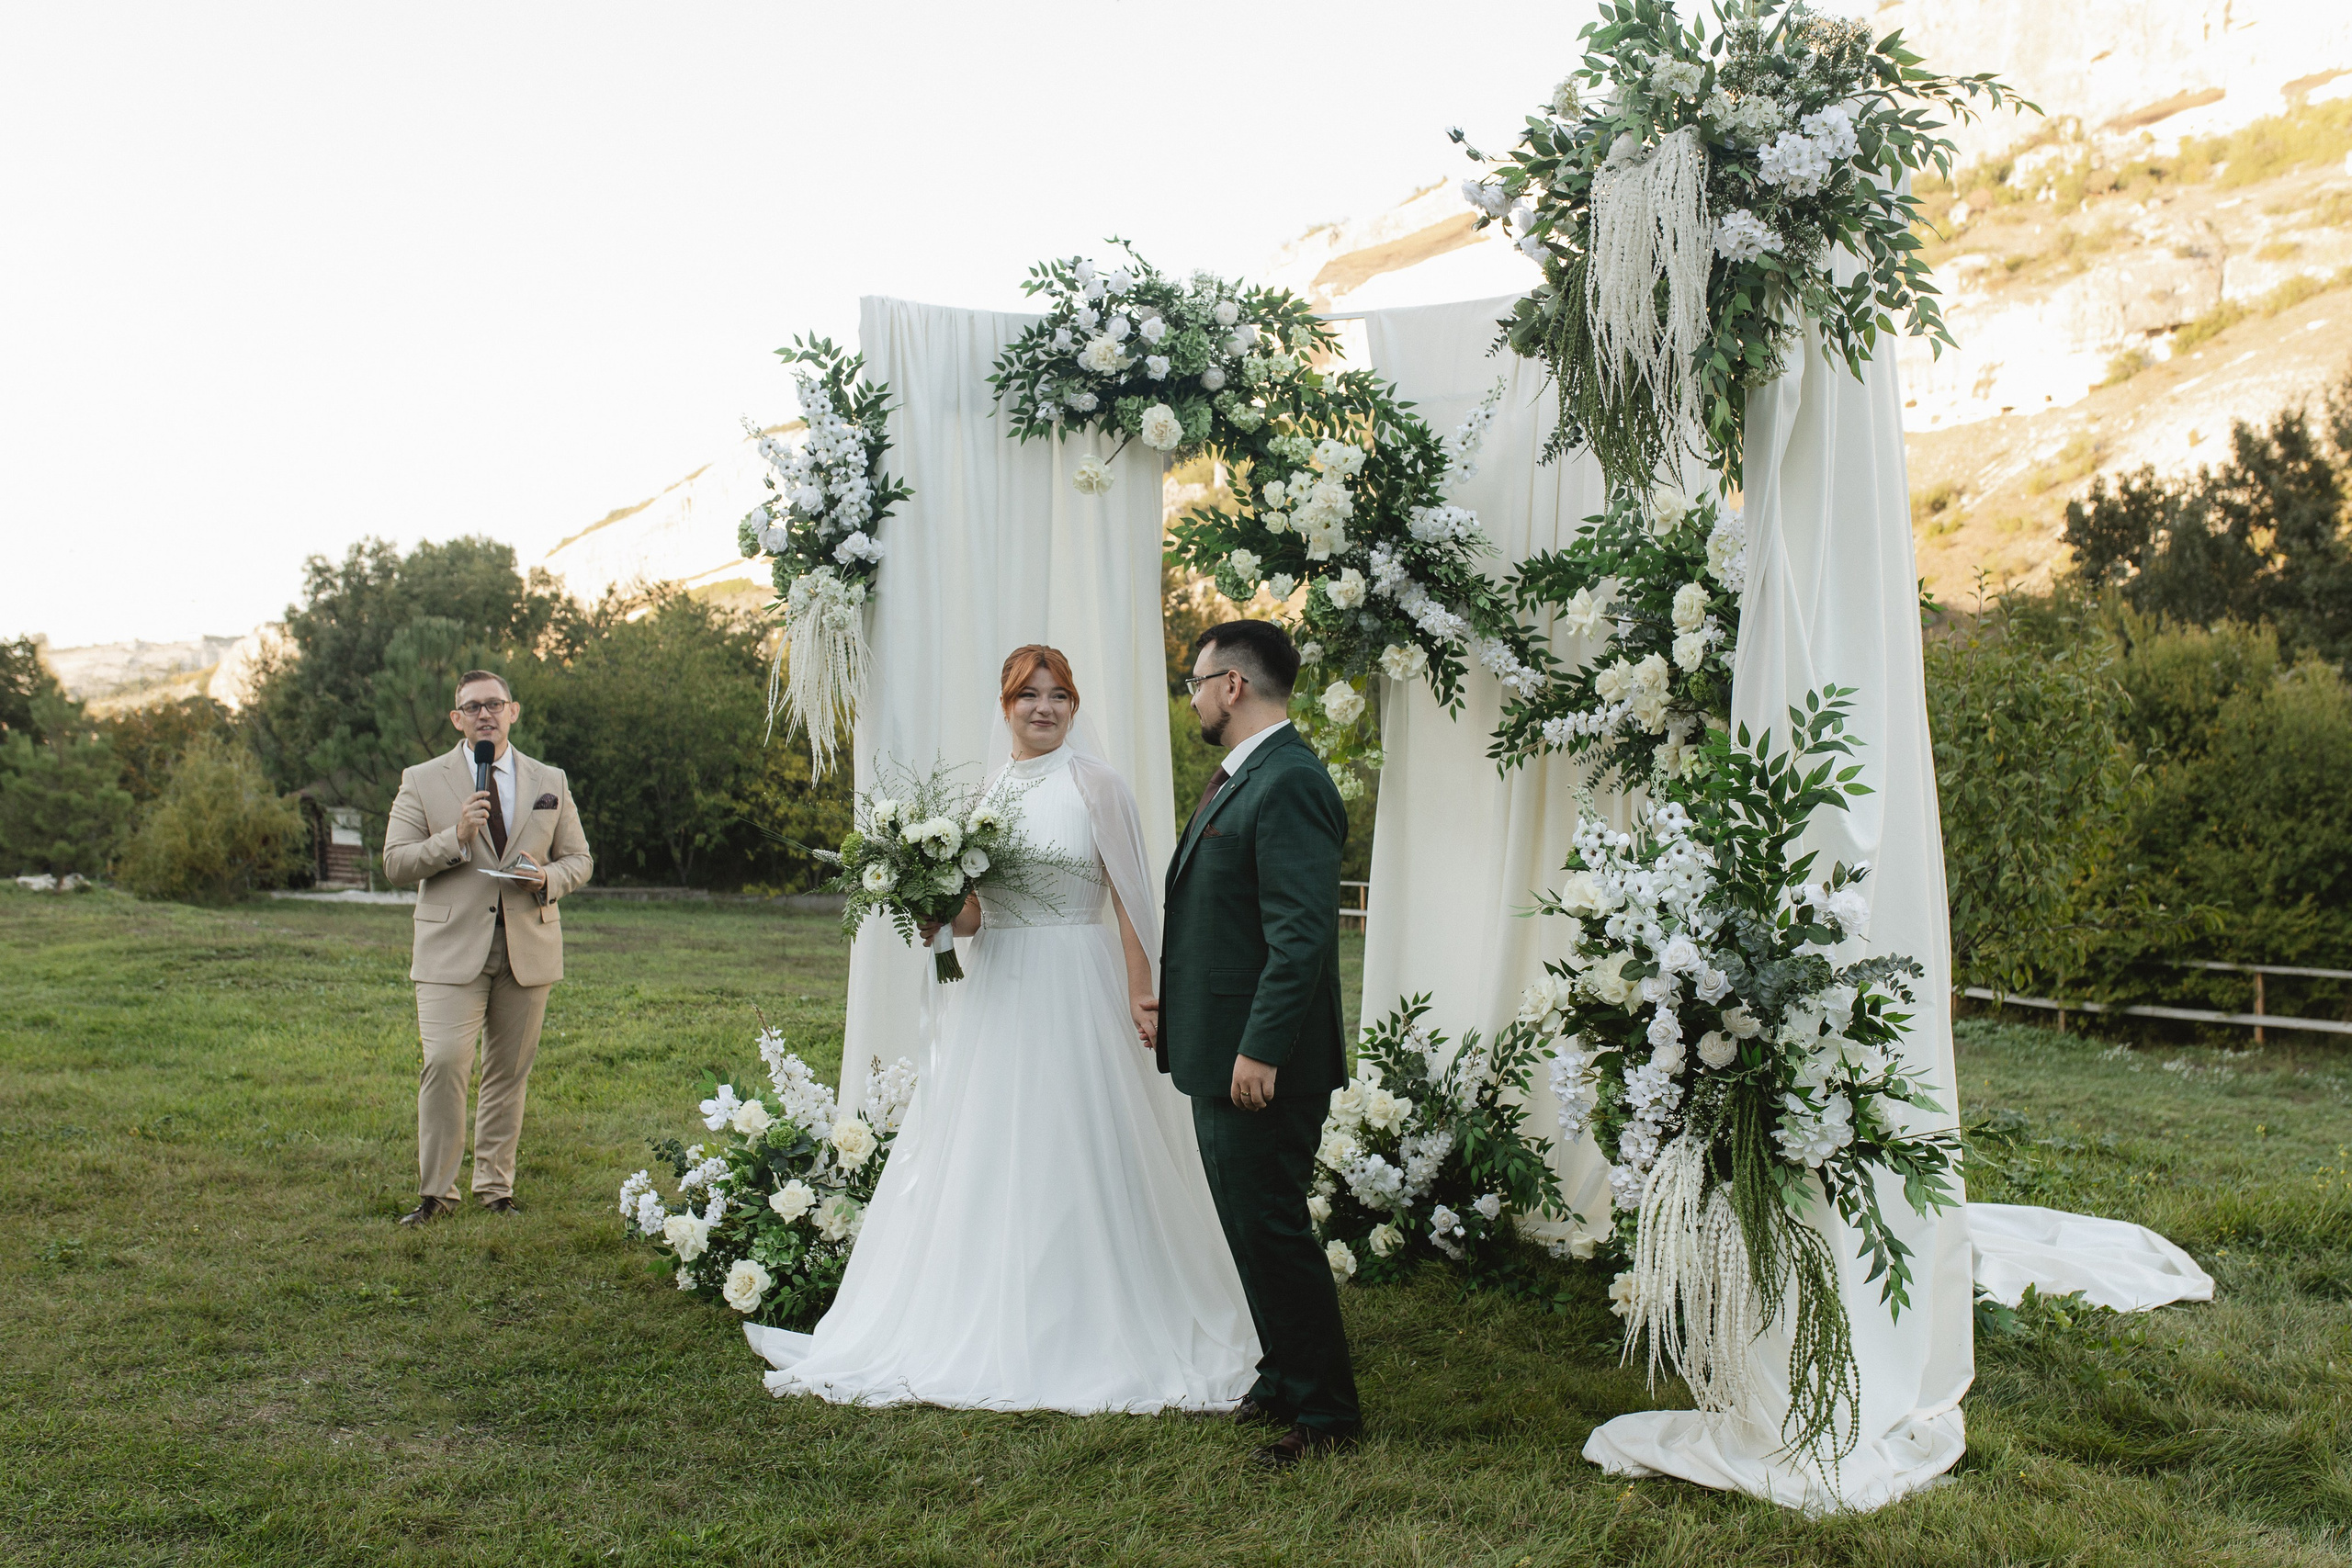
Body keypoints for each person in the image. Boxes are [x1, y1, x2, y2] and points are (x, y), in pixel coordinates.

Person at [744, 645, 1257, 1413]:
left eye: (1058, 695)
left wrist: (1143, 992)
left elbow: (1130, 898)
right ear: (1006, 705)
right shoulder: (986, 795)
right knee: (989, 1142)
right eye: (1028, 695)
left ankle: (1094, 1310)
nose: (1044, 708)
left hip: (1078, 982)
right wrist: (934, 907)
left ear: (1074, 706)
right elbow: (977, 914)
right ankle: (985, 1311)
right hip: (997, 990)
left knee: (1079, 1137)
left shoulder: (1096, 785)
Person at [1152, 620, 1361, 1468]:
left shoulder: (1290, 781)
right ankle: (1283, 1376)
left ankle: (1327, 1413)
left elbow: (1301, 935)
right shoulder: (1247, 774)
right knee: (1249, 1223)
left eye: (1197, 682)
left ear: (1232, 685)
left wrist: (1261, 1049)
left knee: (1272, 1226)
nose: (1194, 699)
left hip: (1263, 1062)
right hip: (1223, 1048)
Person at [380, 670, 592, 1226]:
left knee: (507, 1073)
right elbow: (396, 862)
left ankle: (496, 1190)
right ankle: (435, 1194)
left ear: (512, 711)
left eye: (494, 704)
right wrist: (454, 838)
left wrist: (545, 877)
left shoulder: (550, 779)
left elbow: (580, 859)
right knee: (445, 1062)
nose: (485, 715)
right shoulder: (422, 780)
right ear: (457, 719)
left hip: (528, 946)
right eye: (472, 707)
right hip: (450, 949)